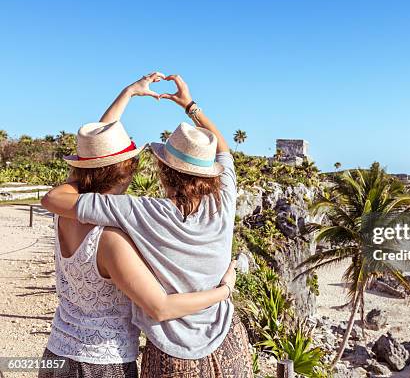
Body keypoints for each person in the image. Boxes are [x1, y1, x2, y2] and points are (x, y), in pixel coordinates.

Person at [42, 73, 252, 377]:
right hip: (222, 340)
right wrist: (190, 106)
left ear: (164, 173)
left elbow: (58, 194)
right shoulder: (223, 200)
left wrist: (126, 95)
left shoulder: (134, 213)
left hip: (70, 352)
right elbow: (224, 150)